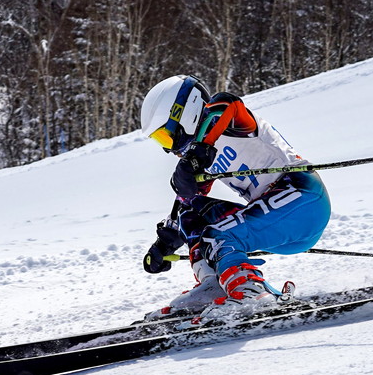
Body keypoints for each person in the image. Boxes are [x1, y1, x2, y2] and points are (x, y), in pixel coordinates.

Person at [138, 74, 331, 320]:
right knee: (193, 212)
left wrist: (199, 151)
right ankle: (216, 284)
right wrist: (164, 243)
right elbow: (186, 203)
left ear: (186, 114)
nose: (169, 148)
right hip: (275, 225)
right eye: (160, 141)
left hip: (303, 200)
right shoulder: (201, 158)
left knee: (219, 234)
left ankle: (251, 292)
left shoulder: (228, 120)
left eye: (166, 135)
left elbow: (228, 103)